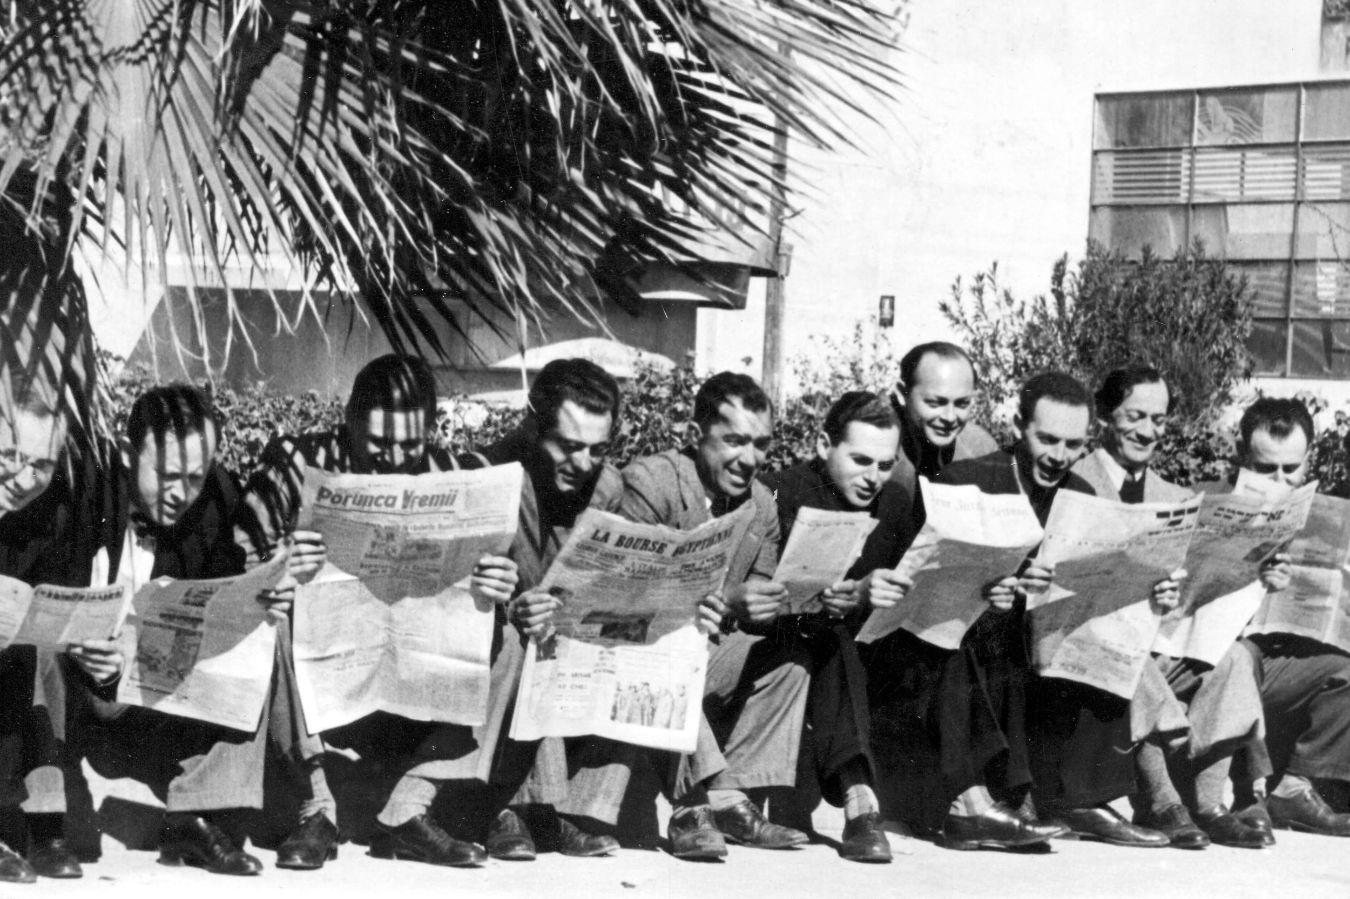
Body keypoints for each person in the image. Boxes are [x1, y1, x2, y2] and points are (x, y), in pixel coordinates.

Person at [238, 353, 522, 869]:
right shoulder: (297, 463)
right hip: (325, 684)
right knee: (269, 622)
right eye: (376, 444)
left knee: (511, 646)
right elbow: (242, 571)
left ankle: (410, 806)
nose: (393, 460)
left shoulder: (458, 475)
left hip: (418, 682)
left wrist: (498, 583)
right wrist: (280, 566)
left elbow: (499, 576)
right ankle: (316, 807)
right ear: (348, 421)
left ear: (430, 429)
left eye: (410, 446)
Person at [65, 384, 340, 876]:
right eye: (167, 475)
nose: (181, 493)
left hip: (167, 697)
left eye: (195, 477)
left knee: (266, 624)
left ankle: (205, 813)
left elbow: (226, 595)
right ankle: (302, 802)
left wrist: (262, 597)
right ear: (129, 454)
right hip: (89, 694)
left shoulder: (214, 500)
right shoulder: (86, 490)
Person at [618, 372, 814, 855]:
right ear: (695, 433)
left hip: (708, 650)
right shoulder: (650, 482)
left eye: (761, 444)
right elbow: (625, 594)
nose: (749, 459)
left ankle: (734, 802)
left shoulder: (760, 504)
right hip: (638, 652)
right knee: (670, 653)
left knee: (789, 662)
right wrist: (727, 599)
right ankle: (695, 805)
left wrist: (768, 602)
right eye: (734, 441)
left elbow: (755, 606)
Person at [1072, 367, 1268, 850]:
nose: (1148, 431)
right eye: (1135, 416)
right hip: (1091, 648)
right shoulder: (1075, 484)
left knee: (1232, 658)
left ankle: (1208, 804)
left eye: (1158, 420)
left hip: (1163, 638)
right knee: (1130, 651)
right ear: (1104, 417)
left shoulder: (1176, 498)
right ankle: (1161, 801)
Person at [759, 390, 911, 863]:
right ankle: (859, 800)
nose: (873, 478)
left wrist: (873, 594)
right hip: (792, 640)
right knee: (830, 634)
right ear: (824, 445)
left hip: (866, 649)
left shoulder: (895, 502)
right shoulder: (779, 491)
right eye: (860, 460)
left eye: (885, 465)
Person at [0, 369, 117, 883]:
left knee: (38, 650)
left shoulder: (46, 516)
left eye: (42, 466)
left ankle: (44, 826)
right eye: (9, 458)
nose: (25, 478)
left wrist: (95, 651)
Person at [1223, 398, 1350, 837]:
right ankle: (1248, 794)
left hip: (1285, 662)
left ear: (1308, 461)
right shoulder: (1215, 506)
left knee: (1346, 669)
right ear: (1242, 456)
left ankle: (1294, 788)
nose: (1279, 481)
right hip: (1228, 657)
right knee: (1240, 658)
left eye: (1290, 469)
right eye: (1265, 469)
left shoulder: (1325, 516)